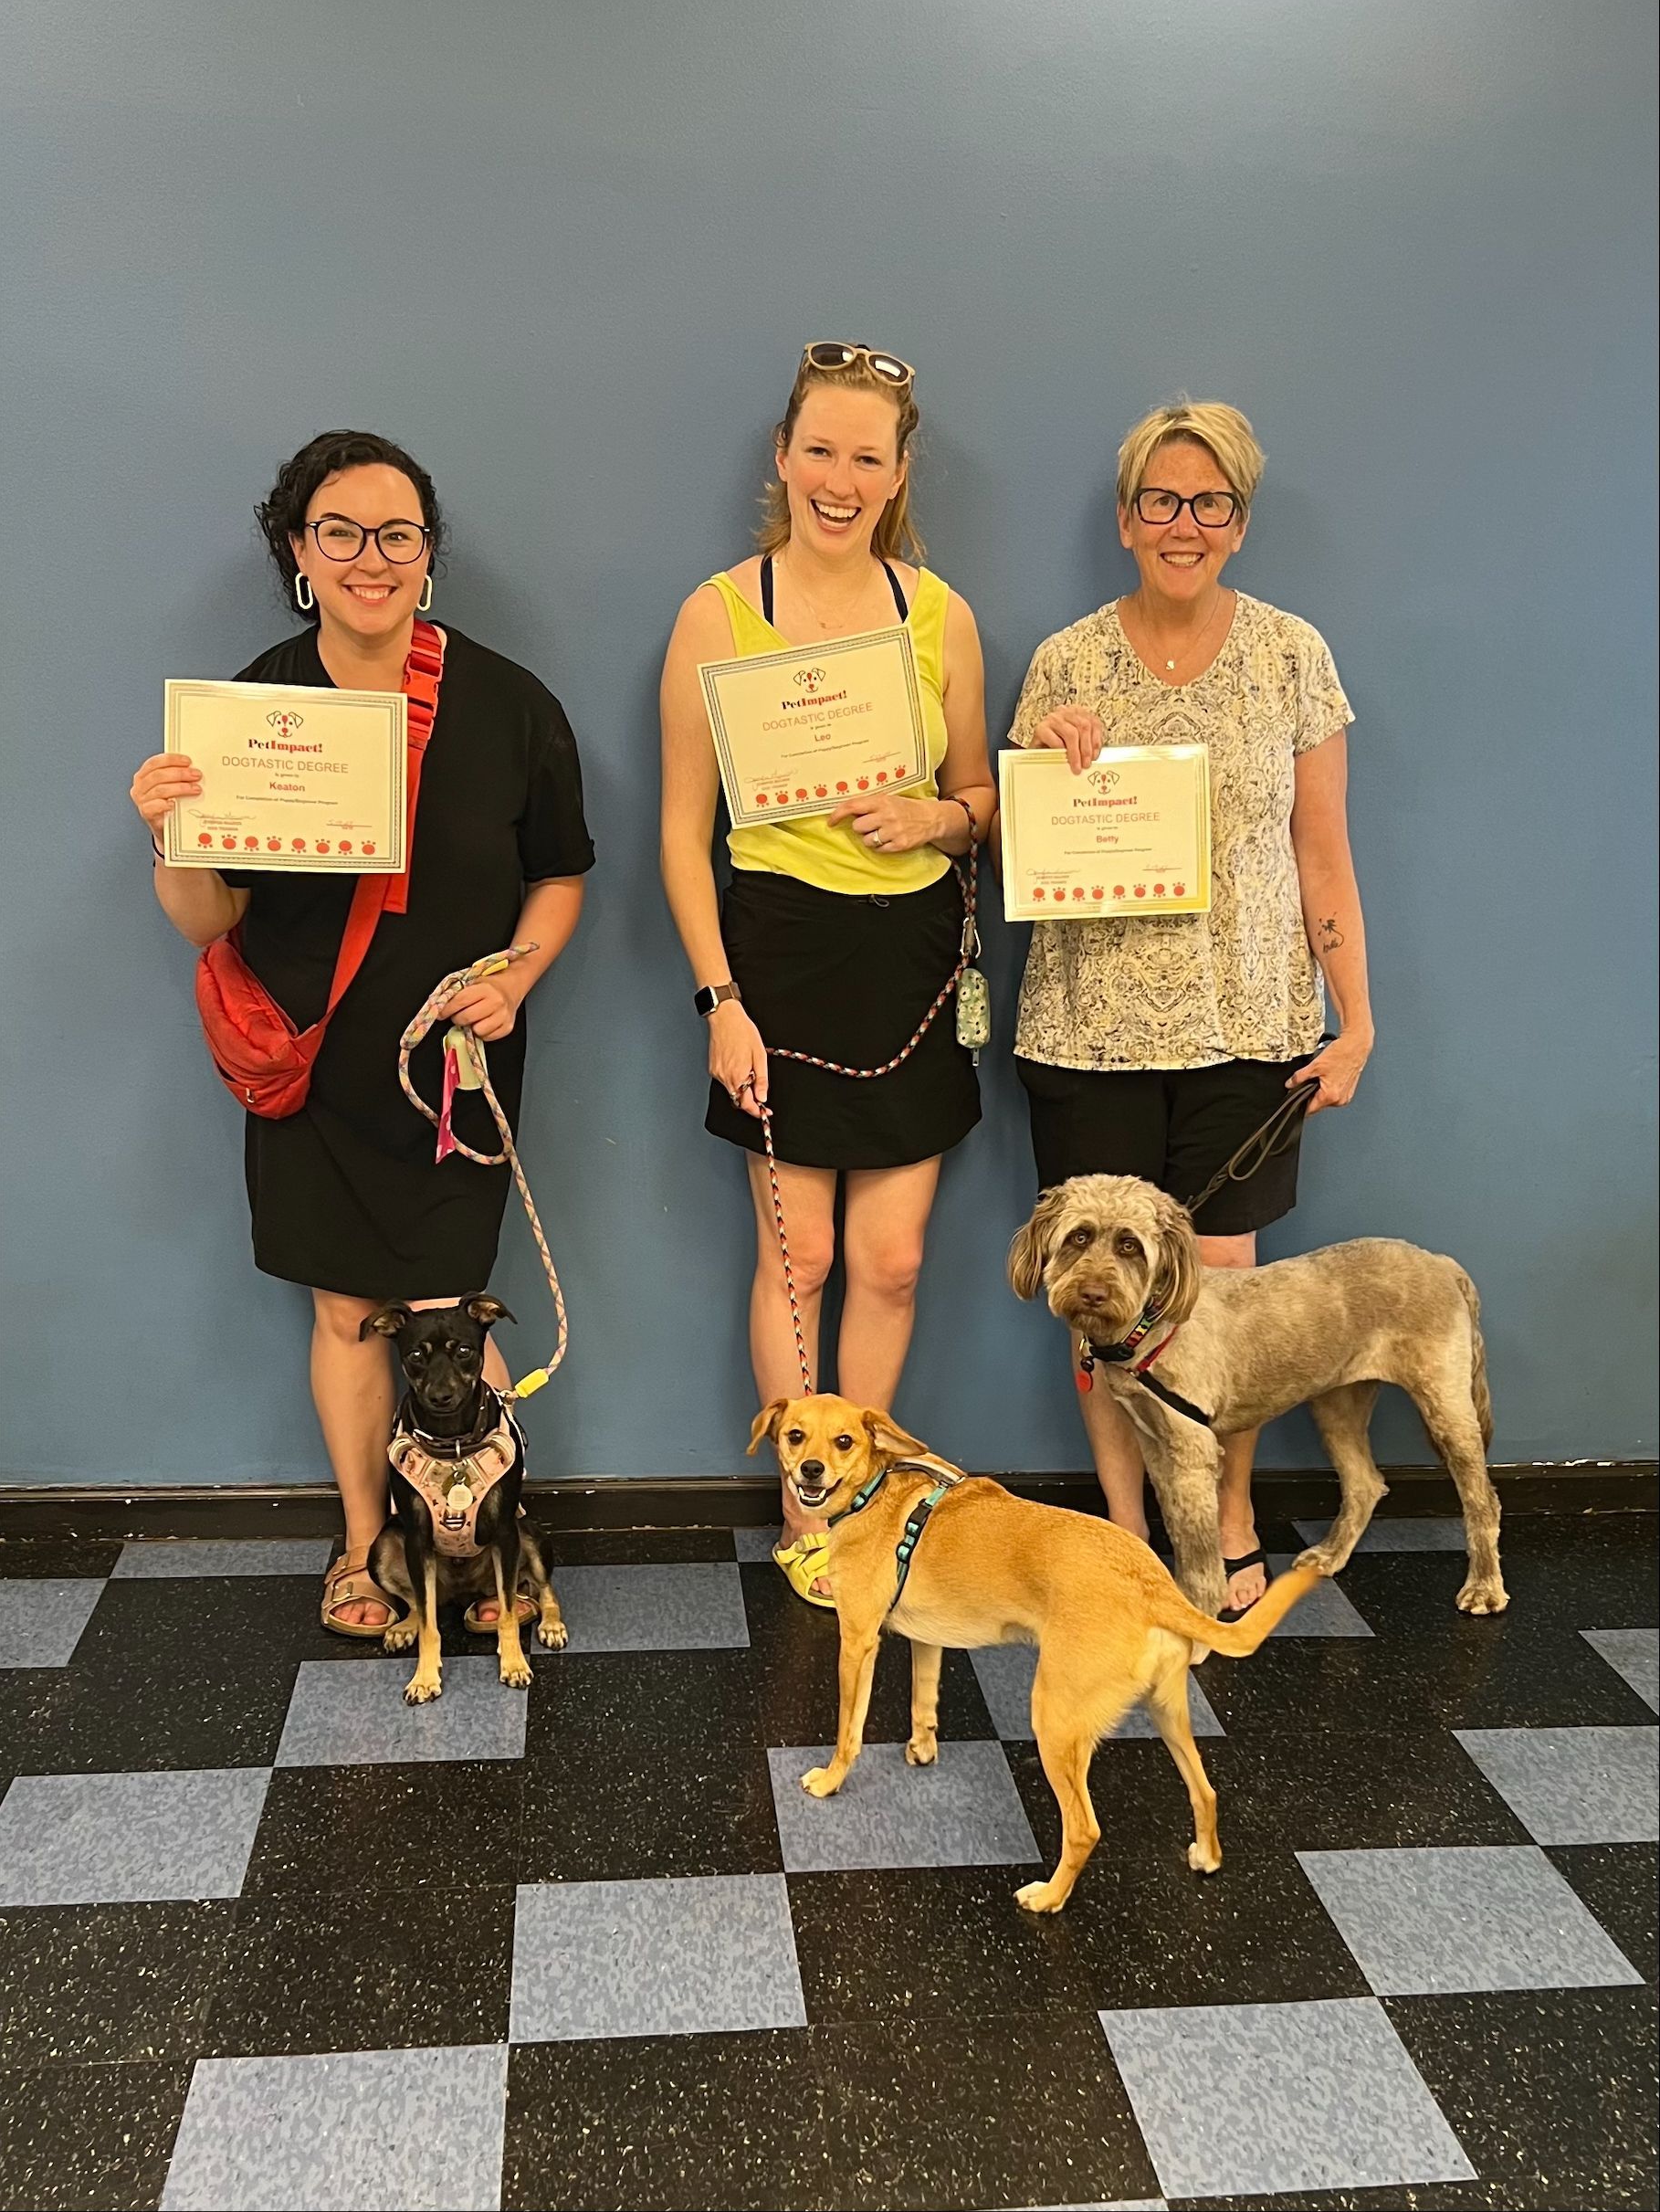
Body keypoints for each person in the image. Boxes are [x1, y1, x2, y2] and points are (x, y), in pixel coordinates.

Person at [129, 431, 594, 1632]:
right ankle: (361, 1550)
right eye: (340, 532)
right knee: (343, 1312)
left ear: (429, 555)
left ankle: (480, 1547)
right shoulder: (252, 708)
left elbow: (560, 877)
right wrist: (173, 836)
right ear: (299, 551)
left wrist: (517, 977)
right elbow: (206, 920)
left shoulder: (509, 705)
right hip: (315, 1066)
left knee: (449, 1310)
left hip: (457, 1069)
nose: (369, 558)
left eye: (397, 534)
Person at [1009, 401, 1374, 1615]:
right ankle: (1123, 1542)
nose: (1184, 523)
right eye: (1160, 501)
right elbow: (1013, 841)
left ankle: (1217, 1525)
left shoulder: (1293, 655)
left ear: (1239, 521)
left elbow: (1324, 853)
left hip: (1250, 1030)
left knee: (1213, 1300)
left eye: (1209, 502)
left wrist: (1355, 1019)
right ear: (1125, 521)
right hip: (1087, 1034)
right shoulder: (1063, 662)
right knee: (1100, 1303)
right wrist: (1043, 757)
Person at [660, 342, 995, 1605]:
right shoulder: (717, 611)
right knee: (798, 1256)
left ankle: (859, 1512)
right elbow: (680, 837)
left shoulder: (940, 614)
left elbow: (981, 802)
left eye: (867, 456)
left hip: (908, 954)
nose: (839, 479)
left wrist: (940, 821)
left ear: (900, 473)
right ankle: (804, 1510)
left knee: (894, 1257)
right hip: (776, 957)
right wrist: (719, 1000)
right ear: (782, 458)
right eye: (820, 450)